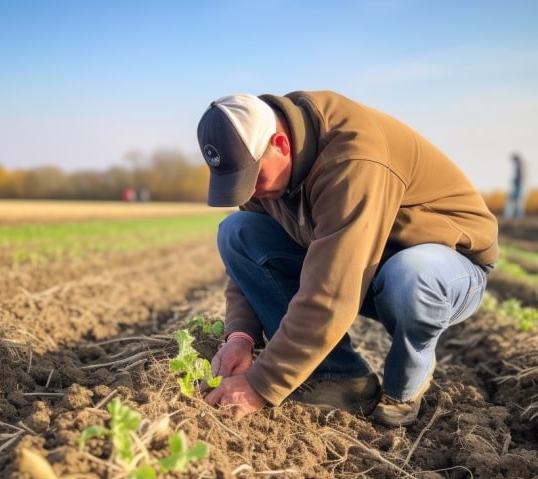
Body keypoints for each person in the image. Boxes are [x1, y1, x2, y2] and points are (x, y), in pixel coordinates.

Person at [196, 91, 499, 427]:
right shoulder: (265, 173)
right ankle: (340, 378)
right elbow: (249, 268)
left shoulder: (352, 158)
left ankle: (404, 386)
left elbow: (333, 291)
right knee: (237, 231)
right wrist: (241, 336)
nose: (250, 192)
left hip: (448, 268)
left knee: (411, 276)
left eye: (252, 179)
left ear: (280, 143)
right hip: (365, 263)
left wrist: (261, 385)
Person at [503, 153, 525, 218]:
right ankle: (517, 215)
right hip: (518, 185)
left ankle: (511, 215)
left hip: (517, 185)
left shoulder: (519, 166)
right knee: (517, 201)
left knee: (514, 201)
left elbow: (520, 177)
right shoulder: (520, 166)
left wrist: (514, 180)